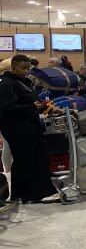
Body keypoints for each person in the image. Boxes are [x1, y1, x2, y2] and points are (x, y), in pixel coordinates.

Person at [0, 55, 57, 203]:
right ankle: (28, 194)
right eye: (22, 68)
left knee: (30, 160)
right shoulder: (7, 84)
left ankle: (24, 194)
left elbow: (29, 102)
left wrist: (42, 106)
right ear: (13, 67)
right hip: (18, 129)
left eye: (28, 68)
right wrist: (32, 107)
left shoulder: (24, 82)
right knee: (24, 160)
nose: (26, 71)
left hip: (29, 126)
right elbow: (7, 108)